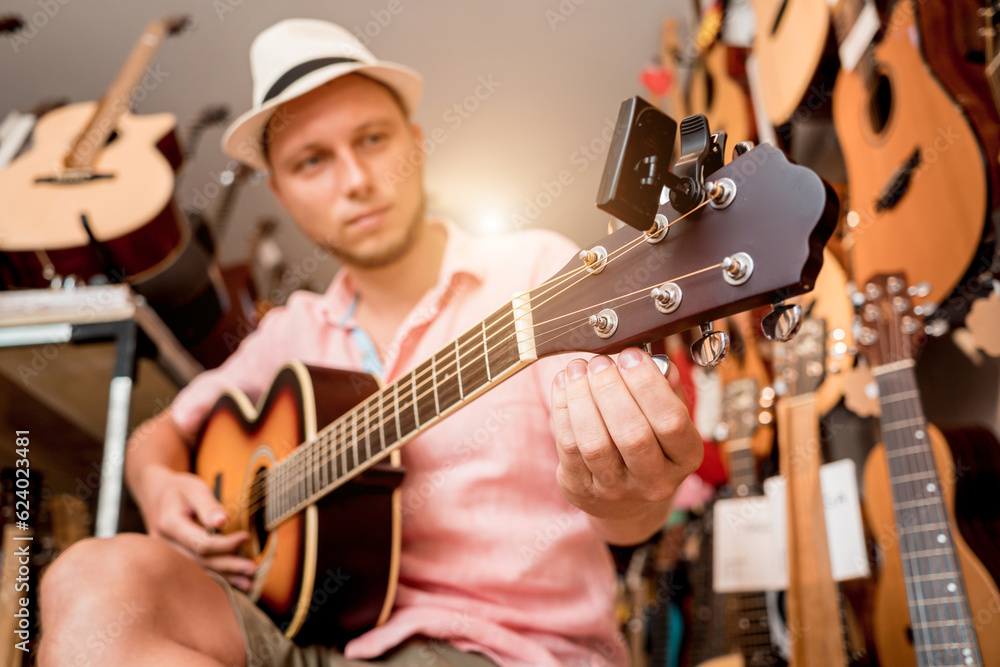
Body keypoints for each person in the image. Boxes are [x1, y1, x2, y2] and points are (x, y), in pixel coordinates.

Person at [38, 18, 703, 667]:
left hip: (501, 646)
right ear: (282, 192)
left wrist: (628, 495)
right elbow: (160, 430)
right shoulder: (290, 330)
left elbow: (634, 519)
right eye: (312, 161)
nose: (355, 179)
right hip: (302, 634)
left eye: (374, 139)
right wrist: (156, 483)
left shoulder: (538, 275)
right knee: (88, 582)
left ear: (416, 141)